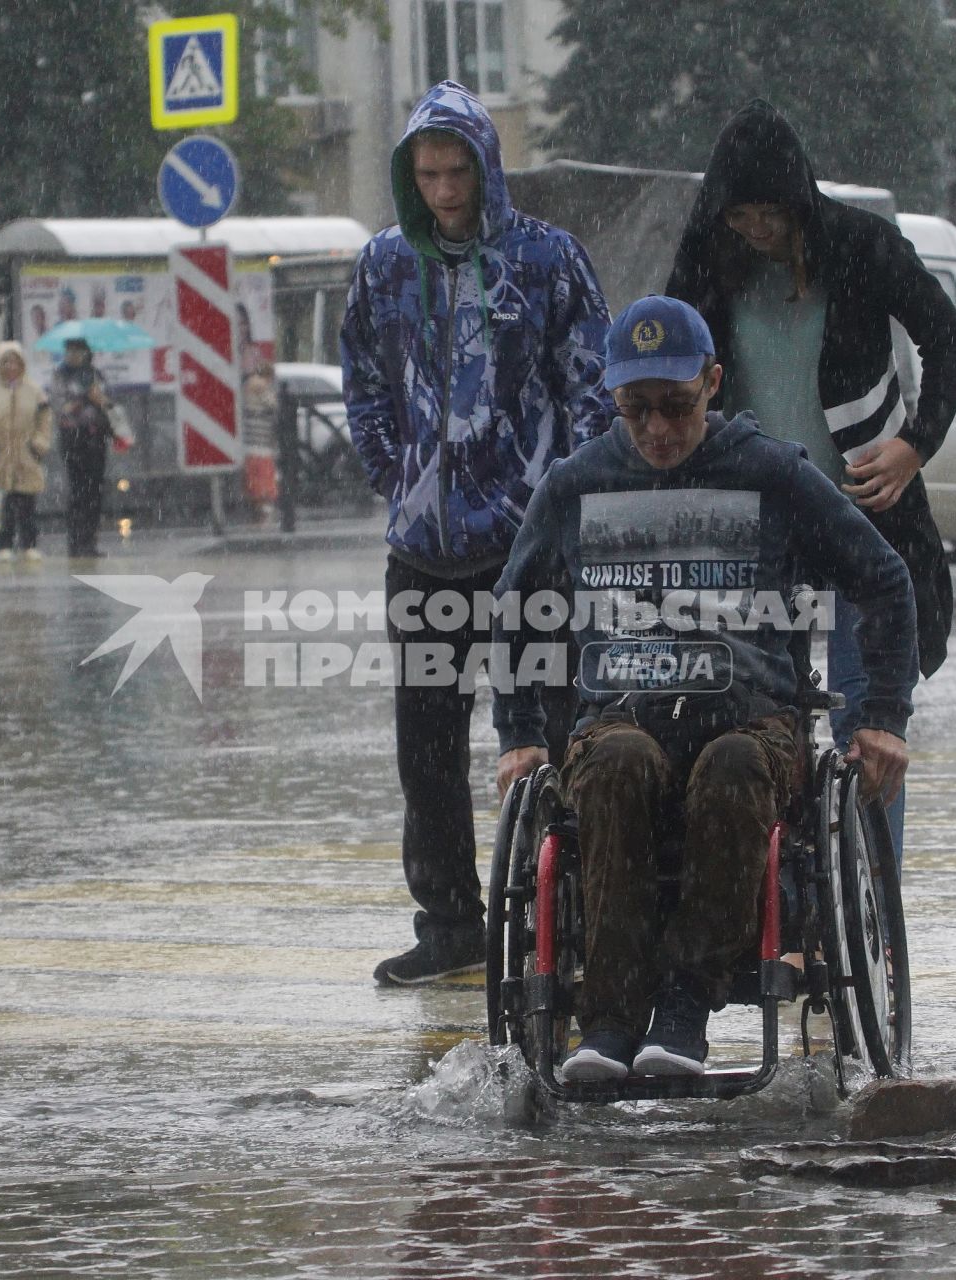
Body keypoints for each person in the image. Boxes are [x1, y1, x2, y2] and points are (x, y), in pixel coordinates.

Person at [492, 296, 916, 1082]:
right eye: (637, 409)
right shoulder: (576, 484)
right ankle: (611, 1021)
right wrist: (518, 731)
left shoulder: (772, 473)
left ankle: (687, 1001)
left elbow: (884, 578)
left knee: (732, 768)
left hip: (753, 721)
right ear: (612, 400)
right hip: (621, 715)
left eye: (677, 408)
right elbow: (514, 609)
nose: (657, 430)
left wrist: (883, 715)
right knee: (613, 764)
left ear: (714, 383)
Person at [340, 79, 612, 986]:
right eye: (428, 173)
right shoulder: (382, 265)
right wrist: (395, 474)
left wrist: (564, 499)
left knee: (550, 733)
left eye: (458, 171)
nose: (445, 191)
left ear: (486, 168)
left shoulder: (546, 261)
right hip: (421, 551)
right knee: (425, 748)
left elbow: (589, 384)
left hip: (527, 546)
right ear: (408, 174)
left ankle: (567, 919)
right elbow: (362, 379)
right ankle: (449, 921)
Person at [664, 100, 956, 864]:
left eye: (771, 213)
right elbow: (668, 370)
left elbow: (949, 338)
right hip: (752, 535)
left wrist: (914, 445)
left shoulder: (862, 246)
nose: (758, 231)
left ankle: (873, 908)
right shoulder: (708, 258)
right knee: (758, 722)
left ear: (799, 198)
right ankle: (795, 908)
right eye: (742, 216)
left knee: (869, 726)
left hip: (863, 522)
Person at [0, 341, 52, 562]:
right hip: (0, 456)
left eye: (15, 361)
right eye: (5, 362)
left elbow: (44, 419)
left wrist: (39, 444)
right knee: (4, 503)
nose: (11, 367)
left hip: (27, 454)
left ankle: (29, 544)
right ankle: (4, 545)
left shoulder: (34, 391)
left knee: (27, 501)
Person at [46, 336, 113, 558]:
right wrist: (81, 399)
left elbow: (109, 403)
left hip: (96, 438)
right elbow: (58, 406)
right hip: (73, 439)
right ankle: (75, 542)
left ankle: (90, 541)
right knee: (78, 490)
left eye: (78, 351)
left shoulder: (95, 375)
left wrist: (100, 399)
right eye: (69, 351)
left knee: (95, 492)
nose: (73, 356)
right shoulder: (60, 375)